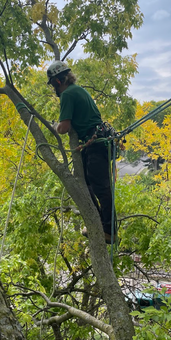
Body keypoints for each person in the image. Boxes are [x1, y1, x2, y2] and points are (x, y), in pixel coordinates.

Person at [47, 60, 116, 243]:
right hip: (93, 143)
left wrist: (55, 126)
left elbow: (64, 127)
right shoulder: (79, 91)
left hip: (95, 144)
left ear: (58, 81)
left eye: (53, 84)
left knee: (101, 188)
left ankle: (108, 230)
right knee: (87, 186)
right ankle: (99, 224)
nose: (54, 88)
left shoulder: (68, 94)